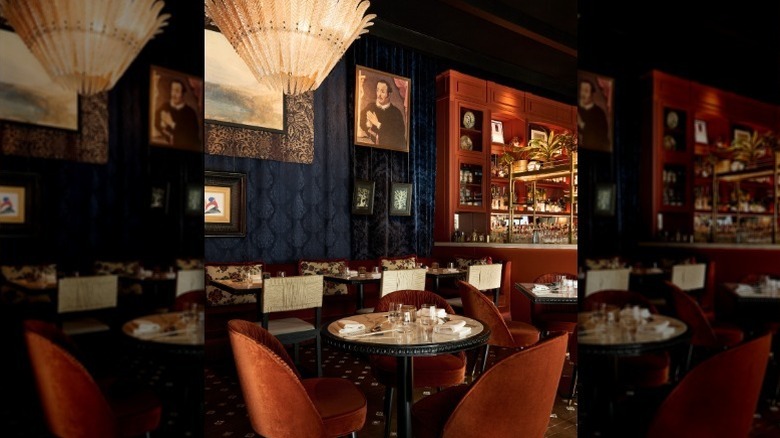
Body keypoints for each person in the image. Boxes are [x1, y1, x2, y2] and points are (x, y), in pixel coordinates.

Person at [359, 78, 407, 149]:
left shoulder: (396, 113)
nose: (379, 94)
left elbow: (398, 136)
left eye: (383, 91)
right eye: (377, 90)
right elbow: (360, 122)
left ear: (389, 94)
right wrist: (368, 125)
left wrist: (377, 124)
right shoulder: (370, 107)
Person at [154, 78, 201, 148]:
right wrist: (163, 128)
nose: (174, 94)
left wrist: (172, 123)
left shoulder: (190, 113)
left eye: (177, 91)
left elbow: (191, 137)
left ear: (182, 94)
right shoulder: (164, 107)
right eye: (172, 90)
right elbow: (157, 124)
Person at [577, 79, 610, 152]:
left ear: (592, 94)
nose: (583, 94)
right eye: (582, 90)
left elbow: (601, 137)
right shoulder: (578, 109)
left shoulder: (599, 113)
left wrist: (581, 124)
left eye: (586, 91)